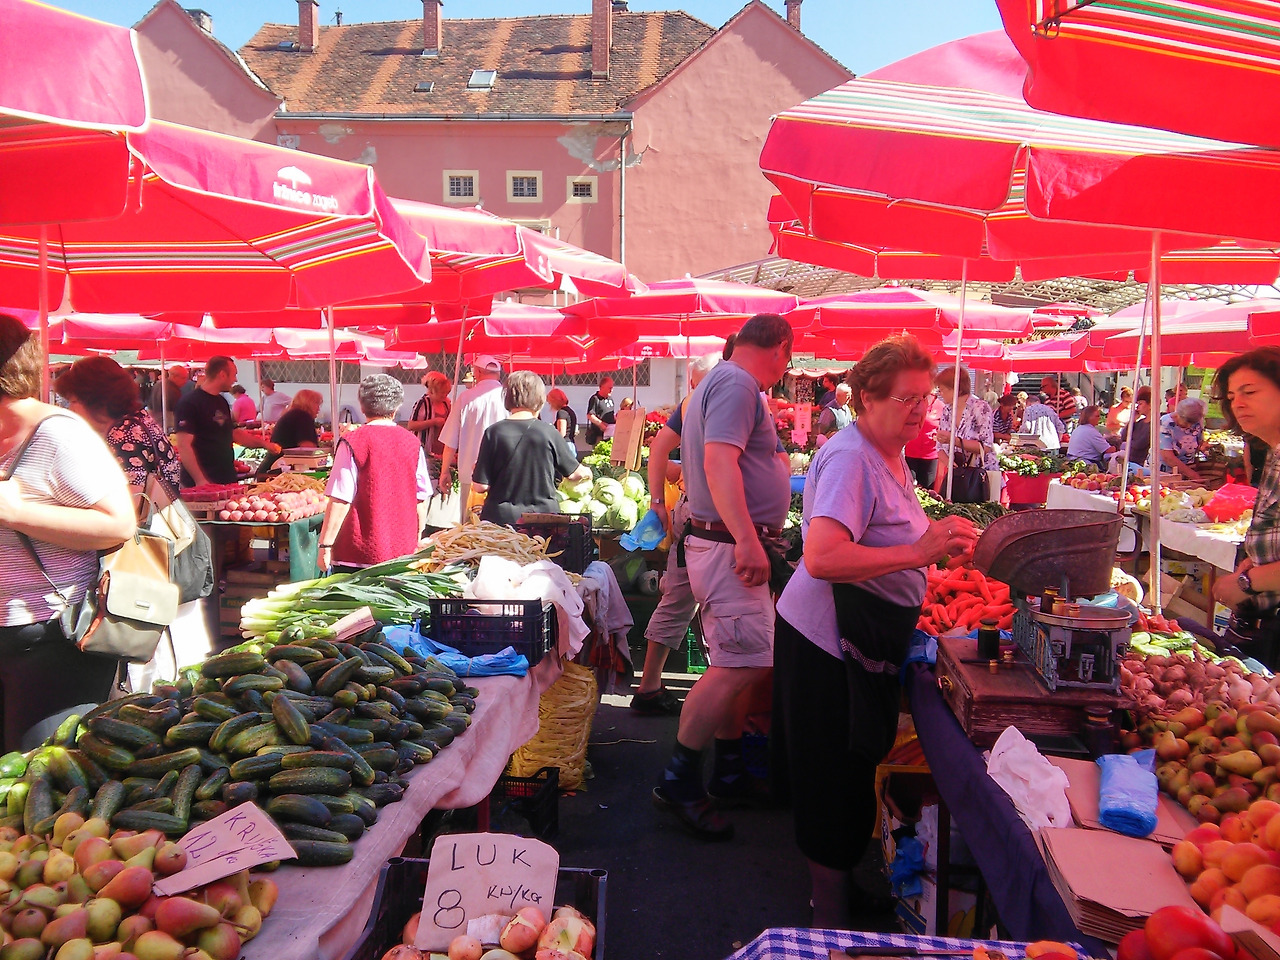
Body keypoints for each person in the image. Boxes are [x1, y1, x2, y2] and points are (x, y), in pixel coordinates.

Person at [775, 334, 978, 928]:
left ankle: (840, 894)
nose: (919, 411)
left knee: (851, 772)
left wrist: (932, 544)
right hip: (825, 644)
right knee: (831, 782)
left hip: (857, 639)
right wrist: (918, 552)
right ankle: (830, 922)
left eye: (925, 398)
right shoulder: (851, 459)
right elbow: (823, 557)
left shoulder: (889, 452)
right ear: (867, 398)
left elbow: (887, 533)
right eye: (905, 399)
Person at [653, 313, 793, 842]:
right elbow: (718, 464)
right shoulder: (737, 383)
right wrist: (749, 540)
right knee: (738, 664)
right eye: (788, 359)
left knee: (743, 660)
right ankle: (679, 781)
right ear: (780, 348)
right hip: (729, 546)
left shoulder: (722, 380)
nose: (785, 369)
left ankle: (728, 771)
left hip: (723, 542)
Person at [0, 315, 137, 750]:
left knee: (38, 772)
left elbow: (118, 524)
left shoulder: (58, 435)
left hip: (49, 642)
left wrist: (15, 512)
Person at [634, 353, 721, 716]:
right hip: (714, 518)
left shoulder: (690, 403)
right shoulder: (719, 401)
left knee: (679, 598)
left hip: (690, 511)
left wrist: (657, 501)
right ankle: (718, 696)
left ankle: (649, 685)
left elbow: (659, 447)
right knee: (720, 602)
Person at [319, 375, 433, 572]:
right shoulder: (412, 443)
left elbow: (340, 498)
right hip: (402, 553)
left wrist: (325, 545)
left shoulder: (353, 441)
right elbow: (421, 498)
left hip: (356, 555)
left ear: (362, 406)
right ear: (396, 408)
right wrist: (417, 536)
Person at [1211, 349, 1280, 665]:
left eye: (1249, 392)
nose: (1237, 403)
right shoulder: (1274, 454)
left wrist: (1247, 583)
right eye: (1232, 396)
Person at [471, 372, 590, 527]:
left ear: (508, 397)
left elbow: (480, 486)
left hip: (501, 521)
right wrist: (588, 472)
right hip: (543, 522)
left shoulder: (493, 432)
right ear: (539, 399)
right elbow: (574, 474)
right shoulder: (549, 432)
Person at [54, 357, 181, 498]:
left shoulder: (126, 436)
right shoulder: (136, 421)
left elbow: (130, 501)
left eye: (73, 401)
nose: (71, 409)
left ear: (96, 402)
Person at [173, 356, 278, 488]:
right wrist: (200, 480)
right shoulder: (189, 403)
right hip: (202, 482)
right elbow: (184, 445)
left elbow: (233, 433)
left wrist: (265, 444)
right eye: (234, 375)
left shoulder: (221, 401)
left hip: (226, 477)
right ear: (222, 374)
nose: (235, 380)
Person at [439, 356, 506, 513]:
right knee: (501, 525)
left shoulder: (465, 398)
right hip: (503, 473)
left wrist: (445, 471)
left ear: (477, 372)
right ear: (498, 374)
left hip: (470, 474)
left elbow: (450, 440)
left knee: (470, 524)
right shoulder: (509, 398)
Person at [934, 365, 996, 500]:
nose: (940, 393)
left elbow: (985, 447)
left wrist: (954, 441)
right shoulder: (947, 410)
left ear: (956, 388)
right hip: (957, 476)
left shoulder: (980, 407)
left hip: (980, 477)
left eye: (942, 389)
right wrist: (949, 463)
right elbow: (939, 447)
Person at [256, 390, 322, 476]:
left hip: (271, 467)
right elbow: (307, 449)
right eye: (317, 404)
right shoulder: (303, 417)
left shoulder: (293, 415)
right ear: (309, 403)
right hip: (278, 471)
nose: (318, 409)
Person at [406, 372, 451, 486]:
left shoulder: (446, 403)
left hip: (441, 449)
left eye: (446, 393)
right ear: (432, 391)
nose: (445, 396)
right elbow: (411, 425)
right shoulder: (422, 403)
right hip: (426, 449)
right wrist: (433, 422)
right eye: (442, 393)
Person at [1159, 397, 1209, 480]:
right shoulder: (1165, 423)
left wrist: (1203, 447)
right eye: (1186, 422)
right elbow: (1168, 457)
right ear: (1178, 414)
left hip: (1189, 469)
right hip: (1165, 473)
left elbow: (1199, 441)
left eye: (1192, 423)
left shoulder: (1198, 420)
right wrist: (1193, 475)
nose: (1189, 426)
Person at [904, 388, 944, 488]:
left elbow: (945, 427)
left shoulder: (941, 407)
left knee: (927, 489)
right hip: (911, 451)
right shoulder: (914, 403)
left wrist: (938, 436)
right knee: (908, 486)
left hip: (930, 454)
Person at [1109, 386, 1153, 473]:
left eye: (1140, 404)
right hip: (1130, 461)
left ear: (1150, 405)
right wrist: (1132, 420)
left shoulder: (1153, 425)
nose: (1137, 407)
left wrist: (1129, 443)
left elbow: (1139, 444)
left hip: (1141, 465)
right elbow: (1124, 436)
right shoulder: (1139, 423)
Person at [148, 365, 188, 430]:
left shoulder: (159, 383)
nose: (186, 381)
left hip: (155, 421)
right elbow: (178, 410)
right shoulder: (172, 389)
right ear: (174, 376)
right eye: (183, 378)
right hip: (166, 423)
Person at [585, 376, 616, 446]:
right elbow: (590, 415)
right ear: (602, 387)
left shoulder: (610, 399)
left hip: (610, 434)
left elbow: (610, 414)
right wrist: (601, 424)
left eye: (612, 388)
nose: (611, 390)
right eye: (609, 388)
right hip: (599, 435)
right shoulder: (595, 399)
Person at [547, 388, 578, 453]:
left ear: (554, 401)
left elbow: (561, 433)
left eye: (550, 403)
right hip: (571, 444)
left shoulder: (561, 412)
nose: (550, 406)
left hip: (564, 445)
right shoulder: (570, 411)